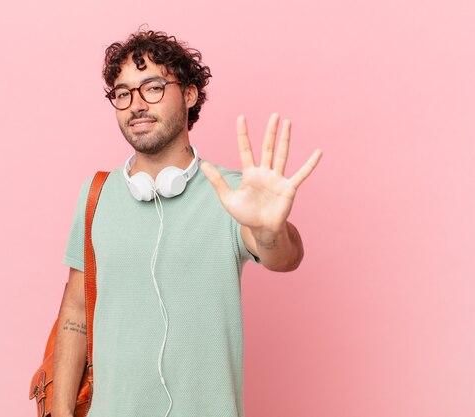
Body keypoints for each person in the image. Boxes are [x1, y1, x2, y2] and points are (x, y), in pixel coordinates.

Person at [51, 29, 322, 417]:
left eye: (153, 87)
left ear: (190, 94)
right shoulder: (97, 194)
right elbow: (75, 312)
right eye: (123, 93)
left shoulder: (232, 194)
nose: (136, 104)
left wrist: (269, 230)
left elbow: (284, 257)